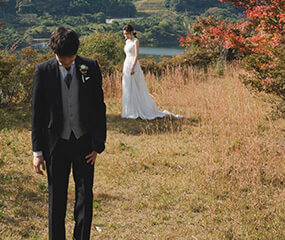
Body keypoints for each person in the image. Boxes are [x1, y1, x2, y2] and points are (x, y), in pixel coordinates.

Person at [31, 27, 107, 240]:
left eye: (71, 58)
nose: (67, 62)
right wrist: (37, 151)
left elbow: (99, 106)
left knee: (85, 196)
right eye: (62, 58)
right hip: (56, 145)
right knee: (57, 198)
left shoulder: (89, 67)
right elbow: (38, 114)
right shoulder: (43, 71)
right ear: (54, 52)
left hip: (84, 143)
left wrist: (97, 145)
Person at [121, 24, 181, 120]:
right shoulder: (127, 42)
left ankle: (139, 109)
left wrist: (133, 67)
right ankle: (130, 110)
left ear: (132, 32)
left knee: (137, 86)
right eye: (124, 34)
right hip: (126, 64)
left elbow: (136, 55)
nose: (125, 36)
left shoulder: (135, 41)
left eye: (127, 34)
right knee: (128, 86)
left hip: (133, 64)